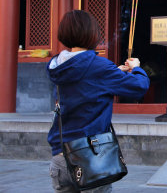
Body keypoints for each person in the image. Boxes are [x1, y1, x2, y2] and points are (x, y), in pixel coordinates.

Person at [47, 10, 150, 193]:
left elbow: (85, 83)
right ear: (91, 34)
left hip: (60, 156)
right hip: (89, 155)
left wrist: (114, 72)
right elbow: (139, 86)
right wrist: (137, 68)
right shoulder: (98, 66)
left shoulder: (58, 65)